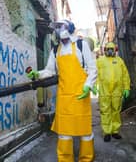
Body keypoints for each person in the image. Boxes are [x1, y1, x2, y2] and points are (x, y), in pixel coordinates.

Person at [27, 19, 97, 162]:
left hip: (80, 96)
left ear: (70, 27)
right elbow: (50, 70)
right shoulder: (55, 50)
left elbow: (92, 69)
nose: (58, 30)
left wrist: (88, 85)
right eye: (56, 27)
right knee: (64, 133)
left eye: (61, 26)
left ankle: (86, 159)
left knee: (85, 132)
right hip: (64, 97)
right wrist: (37, 74)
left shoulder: (80, 44)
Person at [96, 41, 130, 142]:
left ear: (115, 50)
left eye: (112, 49)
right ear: (105, 50)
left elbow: (125, 75)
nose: (110, 51)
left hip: (117, 90)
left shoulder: (119, 61)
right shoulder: (100, 61)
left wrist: (127, 88)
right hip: (104, 90)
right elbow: (94, 73)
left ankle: (115, 131)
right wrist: (93, 86)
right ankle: (107, 132)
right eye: (108, 49)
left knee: (116, 111)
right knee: (105, 111)